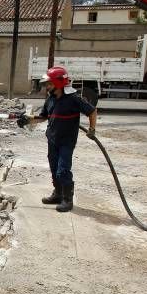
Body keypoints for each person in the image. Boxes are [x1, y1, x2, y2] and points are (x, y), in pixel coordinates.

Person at [19, 66, 97, 212]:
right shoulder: (50, 99)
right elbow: (42, 117)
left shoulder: (74, 99)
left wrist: (92, 130)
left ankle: (67, 200)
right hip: (52, 140)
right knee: (54, 168)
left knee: (63, 170)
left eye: (49, 83)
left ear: (59, 83)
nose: (47, 87)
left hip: (66, 142)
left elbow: (92, 111)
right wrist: (27, 120)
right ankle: (58, 194)